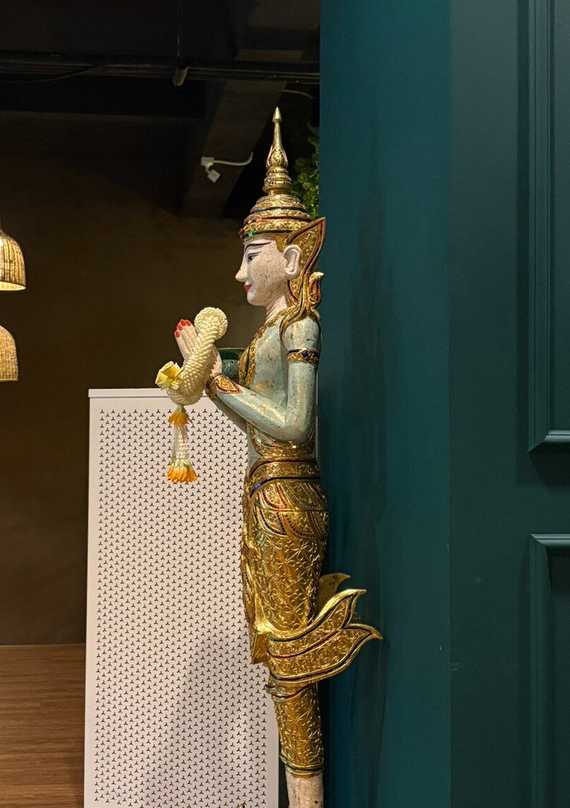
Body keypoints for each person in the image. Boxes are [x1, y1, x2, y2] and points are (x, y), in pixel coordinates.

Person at [175, 108, 379, 808]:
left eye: (252, 253)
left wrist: (217, 382)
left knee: (290, 665)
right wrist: (205, 375)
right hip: (268, 499)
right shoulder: (271, 331)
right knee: (279, 660)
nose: (240, 271)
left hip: (288, 500)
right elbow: (256, 415)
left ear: (293, 258)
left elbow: (293, 424)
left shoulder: (300, 326)